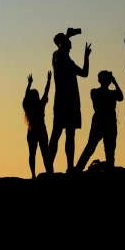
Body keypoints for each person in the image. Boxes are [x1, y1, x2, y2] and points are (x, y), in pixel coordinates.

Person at [47, 28, 91, 173]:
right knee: (56, 134)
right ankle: (49, 168)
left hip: (72, 103)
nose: (70, 45)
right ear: (62, 43)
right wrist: (67, 35)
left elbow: (84, 73)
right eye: (68, 42)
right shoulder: (57, 56)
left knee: (70, 135)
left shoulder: (69, 61)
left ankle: (70, 166)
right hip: (62, 102)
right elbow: (60, 51)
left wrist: (86, 56)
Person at [75, 71, 124, 172]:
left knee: (108, 151)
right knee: (91, 147)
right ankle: (78, 169)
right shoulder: (95, 92)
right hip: (101, 123)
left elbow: (121, 97)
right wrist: (114, 82)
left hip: (107, 123)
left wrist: (114, 82)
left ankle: (81, 168)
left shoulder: (108, 93)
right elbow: (119, 97)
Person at [23, 72, 51, 179]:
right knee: (45, 153)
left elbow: (26, 96)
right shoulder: (40, 104)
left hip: (32, 130)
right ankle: (47, 172)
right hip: (40, 130)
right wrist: (48, 80)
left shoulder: (28, 107)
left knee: (32, 154)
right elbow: (46, 92)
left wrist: (29, 84)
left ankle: (33, 175)